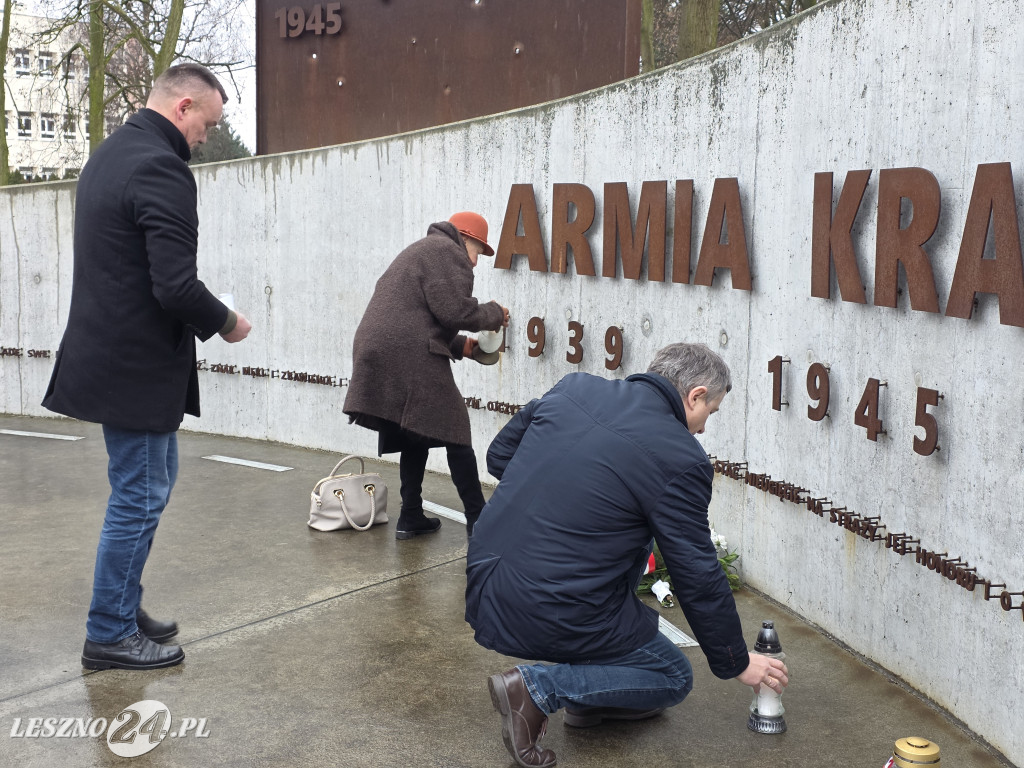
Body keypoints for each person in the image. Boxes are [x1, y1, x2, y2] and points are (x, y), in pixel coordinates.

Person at [465, 343, 789, 768]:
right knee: (672, 675)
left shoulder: (574, 388)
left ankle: (586, 701)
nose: (704, 430)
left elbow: (499, 456)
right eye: (709, 412)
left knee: (620, 624)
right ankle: (538, 689)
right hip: (553, 603)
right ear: (694, 395)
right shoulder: (679, 458)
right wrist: (737, 662)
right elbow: (697, 574)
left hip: (487, 579)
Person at [42, 63, 252, 671]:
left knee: (151, 486)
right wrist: (228, 323)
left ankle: (121, 604)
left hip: (117, 360)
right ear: (182, 107)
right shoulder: (162, 166)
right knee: (138, 495)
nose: (205, 138)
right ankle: (107, 631)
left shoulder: (111, 154)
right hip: (134, 366)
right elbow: (176, 286)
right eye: (205, 124)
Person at [343, 212, 509, 540]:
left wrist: (465, 347)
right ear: (465, 238)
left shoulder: (424, 249)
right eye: (478, 252)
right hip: (405, 349)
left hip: (380, 345)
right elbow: (454, 311)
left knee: (415, 429)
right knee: (456, 428)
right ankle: (480, 522)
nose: (476, 263)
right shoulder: (449, 252)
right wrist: (494, 315)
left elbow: (423, 317)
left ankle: (411, 514)